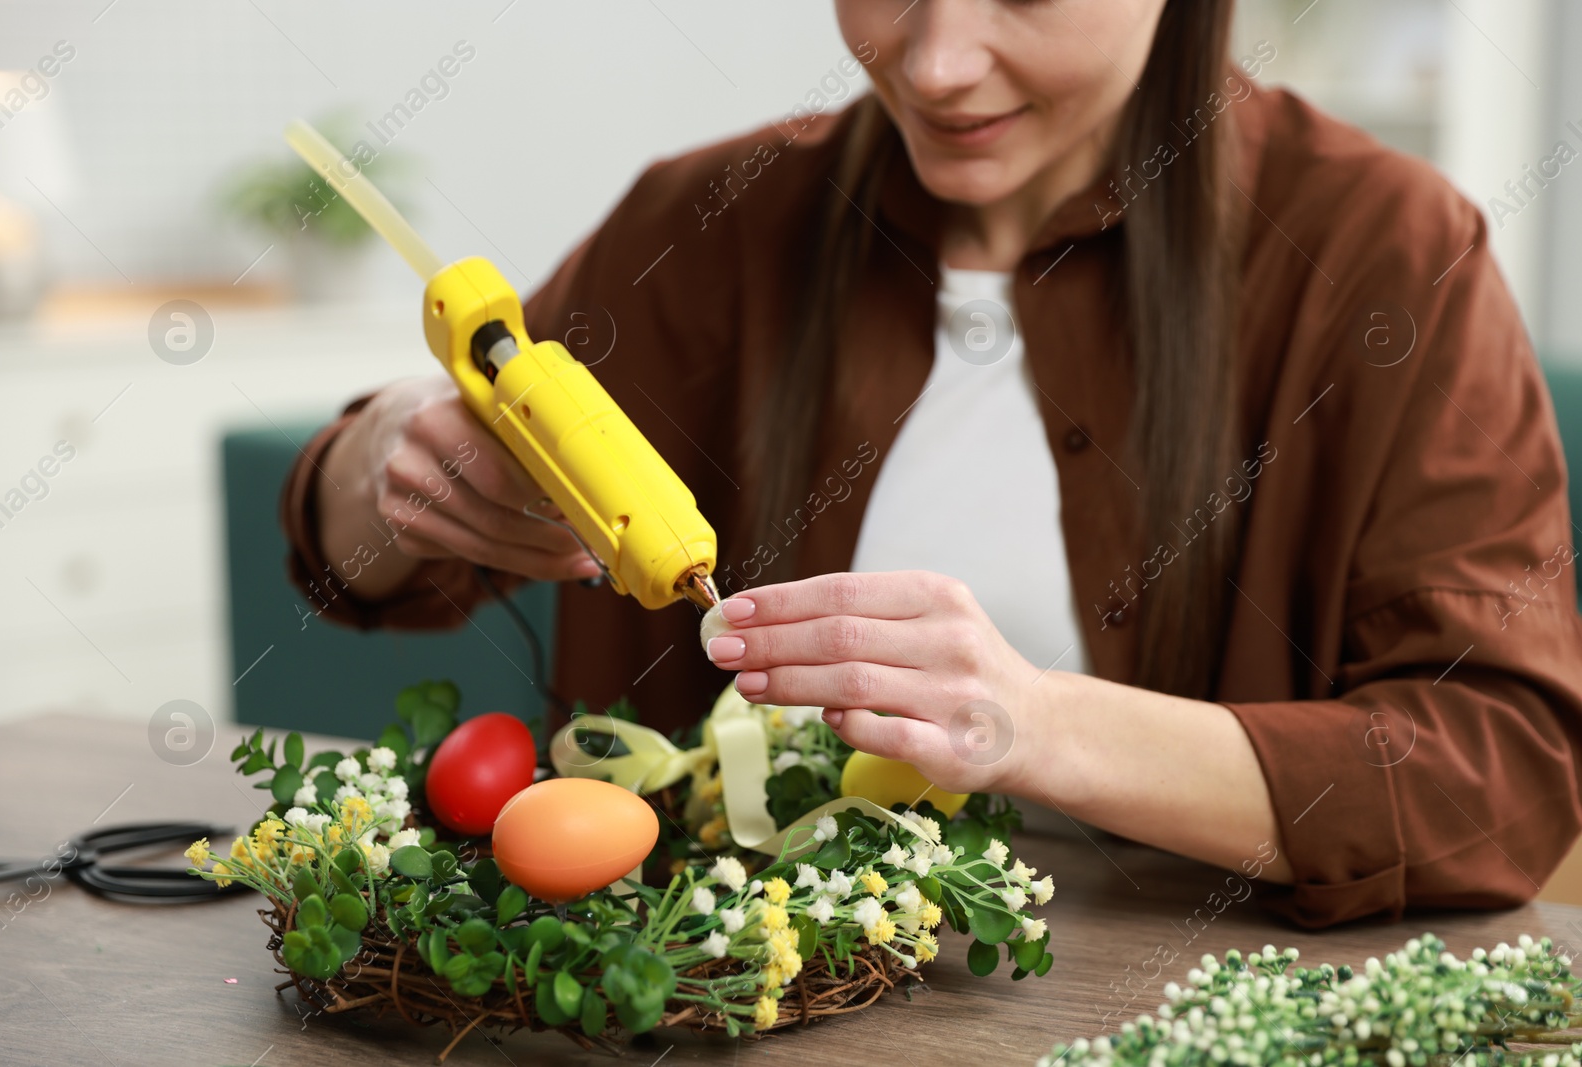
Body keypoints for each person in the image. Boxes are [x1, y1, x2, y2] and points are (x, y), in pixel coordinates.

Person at [281, 0, 1582, 928]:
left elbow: (1502, 776)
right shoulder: (705, 224)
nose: (940, 60)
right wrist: (382, 469)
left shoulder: (1385, 255)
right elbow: (369, 572)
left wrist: (1027, 724)